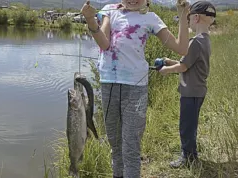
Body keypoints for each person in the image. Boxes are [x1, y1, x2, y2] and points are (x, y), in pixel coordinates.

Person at [81, 0, 190, 177]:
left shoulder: (151, 18)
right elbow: (104, 44)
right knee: (115, 144)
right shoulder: (110, 10)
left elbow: (181, 48)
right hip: (108, 84)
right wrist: (91, 20)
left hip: (135, 88)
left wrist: (184, 16)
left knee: (131, 146)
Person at [158, 1, 216, 168]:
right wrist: (170, 62)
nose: (188, 22)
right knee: (191, 124)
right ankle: (190, 153)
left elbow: (183, 66)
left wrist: (166, 70)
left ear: (196, 18)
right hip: (198, 90)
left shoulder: (195, 42)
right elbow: (189, 64)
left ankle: (188, 158)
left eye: (189, 18)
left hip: (191, 92)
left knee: (186, 127)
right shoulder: (205, 40)